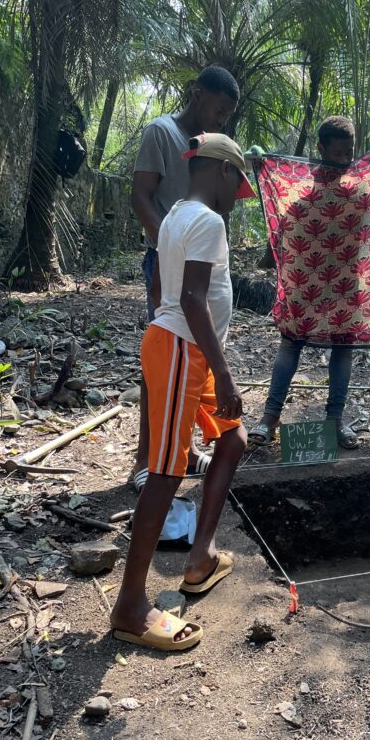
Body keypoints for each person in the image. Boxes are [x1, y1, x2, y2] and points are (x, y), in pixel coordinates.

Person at [110, 133, 254, 651]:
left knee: (232, 442)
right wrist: (225, 371)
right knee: (166, 472)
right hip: (181, 349)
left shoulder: (172, 215)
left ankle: (200, 559)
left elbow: (163, 288)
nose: (234, 197)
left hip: (187, 351)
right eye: (236, 183)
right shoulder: (208, 221)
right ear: (223, 173)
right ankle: (130, 605)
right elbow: (192, 298)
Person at [131, 65, 240, 491]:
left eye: (228, 113)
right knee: (164, 358)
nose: (221, 118)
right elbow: (141, 195)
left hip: (194, 260)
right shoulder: (162, 133)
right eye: (218, 108)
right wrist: (168, 248)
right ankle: (146, 458)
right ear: (197, 95)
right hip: (168, 256)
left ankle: (185, 449)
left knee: (192, 362)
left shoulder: (213, 147)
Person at [248, 116, 361, 449]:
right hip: (304, 281)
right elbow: (286, 225)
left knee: (342, 349)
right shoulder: (298, 192)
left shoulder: (358, 194)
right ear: (321, 149)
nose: (343, 160)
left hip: (344, 282)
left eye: (349, 154)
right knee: (290, 342)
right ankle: (270, 417)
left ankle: (335, 420)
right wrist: (262, 165)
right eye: (338, 153)